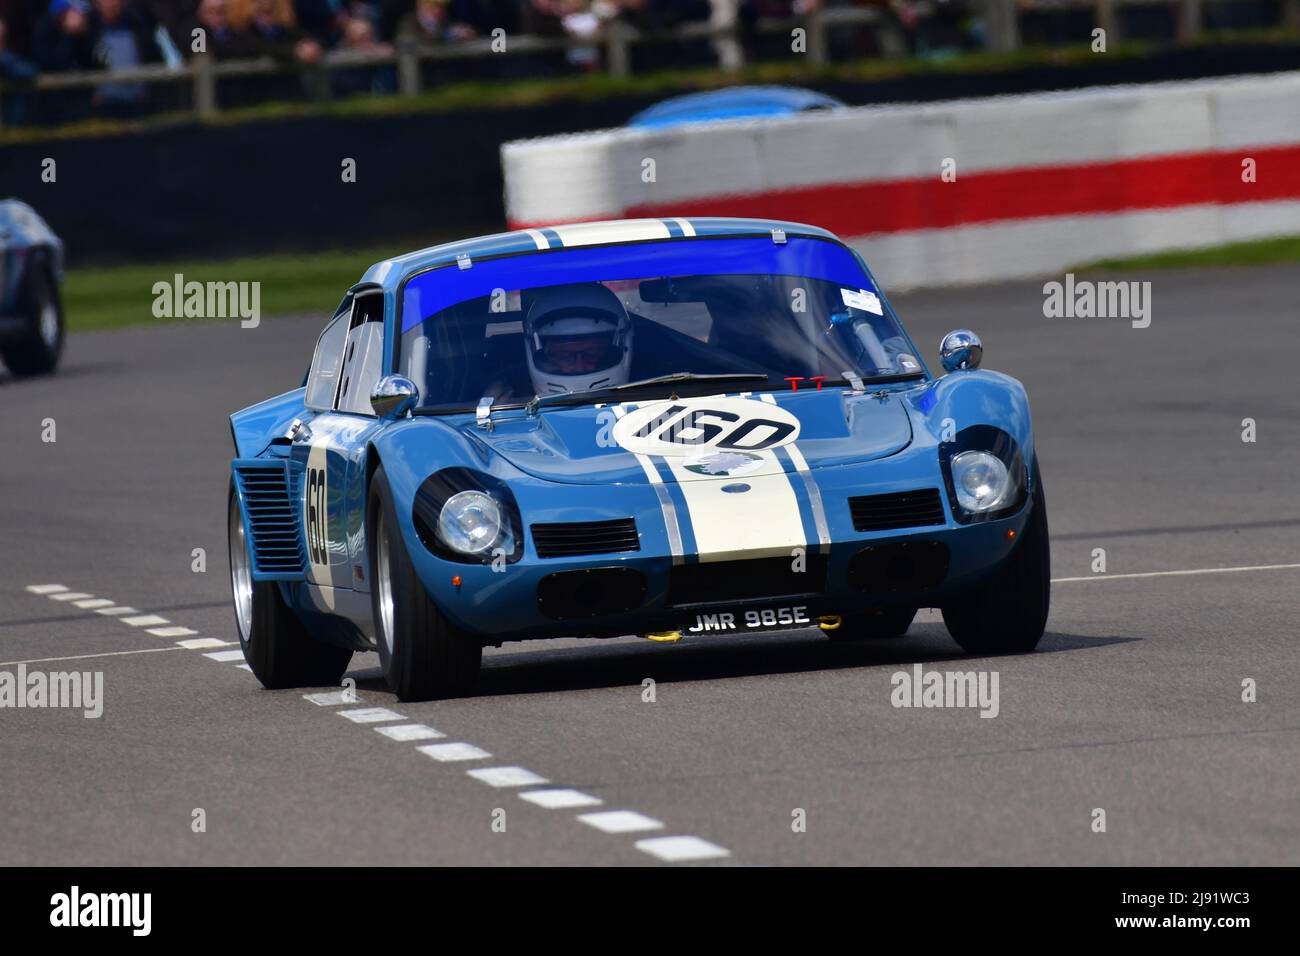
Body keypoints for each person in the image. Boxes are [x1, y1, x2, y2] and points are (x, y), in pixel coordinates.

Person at [521, 283, 635, 396]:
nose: (580, 367)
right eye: (565, 356)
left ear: (612, 353)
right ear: (541, 356)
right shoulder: (506, 406)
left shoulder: (651, 392)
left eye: (592, 353)